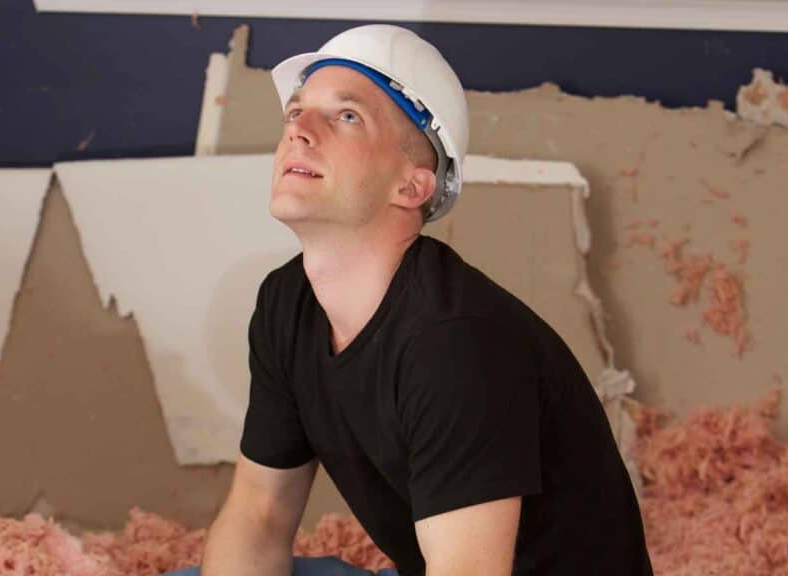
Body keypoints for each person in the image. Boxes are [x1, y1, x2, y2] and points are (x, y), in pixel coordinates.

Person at [173, 24, 653, 576]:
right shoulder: (287, 305)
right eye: (297, 111)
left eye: (346, 116)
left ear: (412, 186)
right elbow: (258, 516)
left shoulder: (455, 343)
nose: (298, 129)